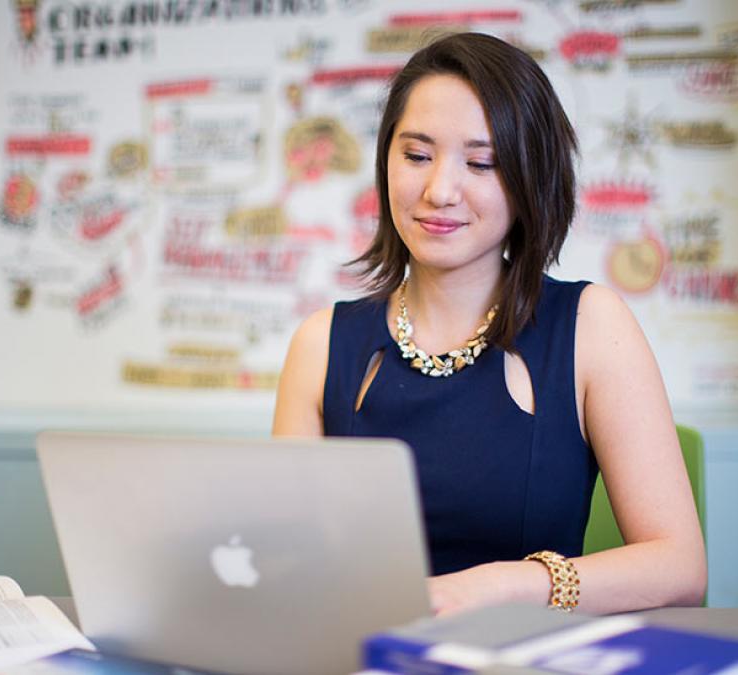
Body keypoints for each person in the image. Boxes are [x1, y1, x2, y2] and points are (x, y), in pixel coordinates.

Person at [273, 32, 706, 616]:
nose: (439, 190)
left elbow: (679, 568)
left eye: (481, 163)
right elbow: (286, 563)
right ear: (386, 161)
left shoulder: (590, 326)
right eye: (417, 155)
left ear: (530, 181)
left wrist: (500, 587)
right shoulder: (321, 344)